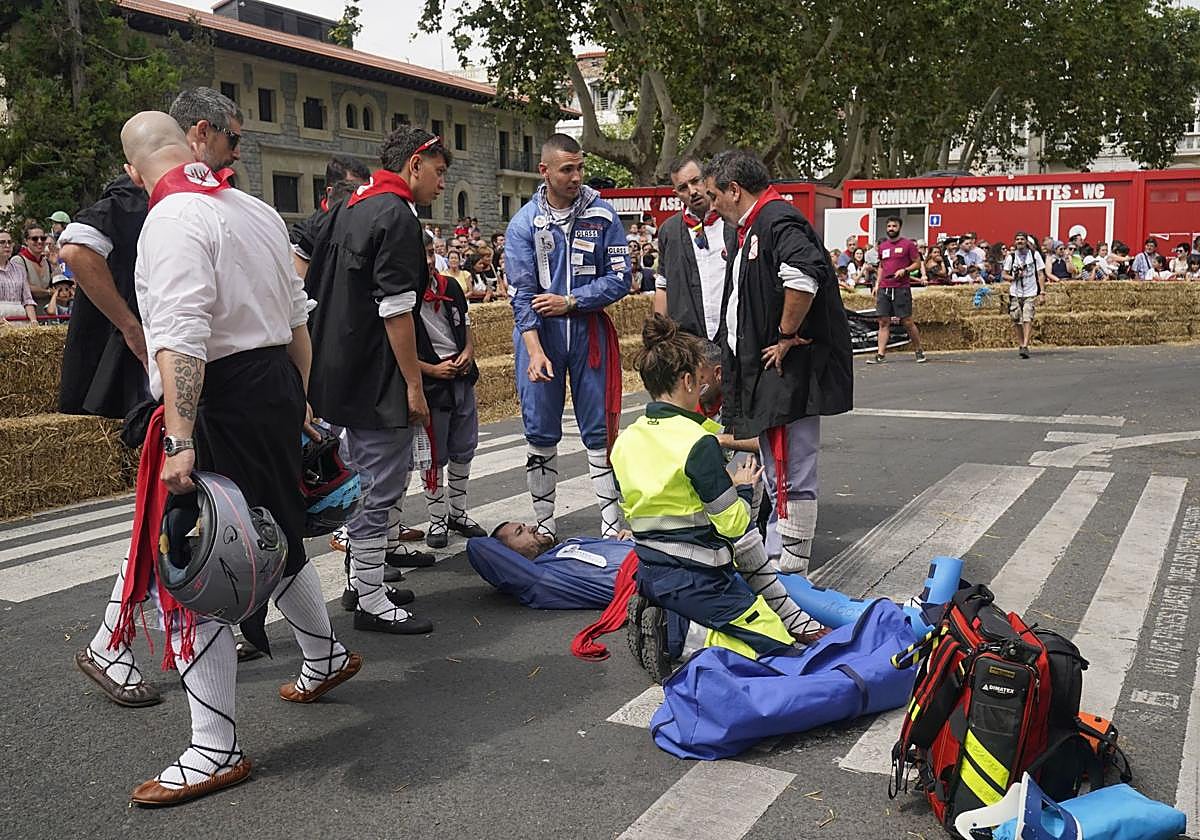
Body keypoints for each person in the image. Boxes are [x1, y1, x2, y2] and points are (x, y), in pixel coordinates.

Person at [109, 111, 360, 806]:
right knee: (269, 537)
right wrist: (301, 402)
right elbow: (295, 318)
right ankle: (325, 655)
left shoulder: (170, 221)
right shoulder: (252, 209)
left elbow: (183, 334)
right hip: (274, 383)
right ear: (189, 144)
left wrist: (181, 437)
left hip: (218, 399)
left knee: (205, 566)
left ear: (134, 171)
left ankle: (214, 746)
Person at [67, 88, 269, 707]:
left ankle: (314, 650)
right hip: (176, 380)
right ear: (197, 136)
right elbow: (76, 248)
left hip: (200, 376)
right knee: (177, 528)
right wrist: (130, 325)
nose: (236, 152)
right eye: (232, 140)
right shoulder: (147, 197)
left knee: (217, 519)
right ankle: (117, 643)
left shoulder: (211, 202)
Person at [305, 125, 446, 635]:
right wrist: (413, 383)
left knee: (365, 474)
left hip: (338, 364)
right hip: (375, 370)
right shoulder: (396, 214)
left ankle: (363, 583)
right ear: (414, 165)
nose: (441, 183)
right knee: (378, 484)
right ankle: (368, 596)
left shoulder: (349, 205)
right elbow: (396, 308)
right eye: (439, 171)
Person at [611, 315, 814, 664]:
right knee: (780, 647)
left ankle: (672, 618)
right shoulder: (698, 443)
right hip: (700, 579)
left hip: (649, 569)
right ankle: (689, 636)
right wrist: (744, 490)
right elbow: (734, 527)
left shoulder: (627, 439)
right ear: (689, 381)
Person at [703, 149, 853, 575]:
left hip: (787, 372)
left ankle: (792, 571)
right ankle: (781, 561)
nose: (711, 204)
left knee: (789, 472)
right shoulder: (757, 224)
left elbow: (803, 276)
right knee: (777, 470)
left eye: (715, 195)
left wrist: (787, 334)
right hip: (767, 370)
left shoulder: (776, 220)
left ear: (734, 190)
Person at [505, 133, 631, 540]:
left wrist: (573, 301)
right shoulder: (524, 223)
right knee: (540, 430)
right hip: (540, 337)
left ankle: (612, 528)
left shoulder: (604, 216)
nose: (576, 177)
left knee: (598, 429)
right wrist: (534, 349)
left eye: (580, 168)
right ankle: (544, 526)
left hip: (587, 333)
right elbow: (521, 293)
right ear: (545, 171)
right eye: (567, 169)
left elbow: (620, 279)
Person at [415, 231, 485, 548]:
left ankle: (458, 511)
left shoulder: (451, 286)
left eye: (432, 253)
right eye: (423, 254)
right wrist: (430, 369)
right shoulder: (401, 295)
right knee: (433, 454)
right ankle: (436, 518)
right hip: (431, 381)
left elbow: (466, 327)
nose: (429, 261)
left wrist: (468, 352)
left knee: (463, 446)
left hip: (460, 373)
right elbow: (396, 349)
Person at [653, 155, 731, 341]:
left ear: (708, 179)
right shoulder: (669, 230)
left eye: (696, 181)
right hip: (690, 339)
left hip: (733, 334)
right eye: (683, 188)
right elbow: (662, 286)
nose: (692, 191)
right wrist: (658, 334)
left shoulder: (733, 221)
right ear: (676, 194)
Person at [289, 154, 371, 279]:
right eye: (352, 190)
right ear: (331, 191)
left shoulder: (368, 226)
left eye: (367, 192)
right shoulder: (304, 236)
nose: (362, 200)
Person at [867, 215, 926, 364]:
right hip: (884, 288)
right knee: (883, 322)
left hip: (901, 288)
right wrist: (877, 285)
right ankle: (880, 354)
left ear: (899, 227)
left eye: (894, 226)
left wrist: (905, 270)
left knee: (906, 321)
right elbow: (881, 266)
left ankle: (919, 350)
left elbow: (917, 264)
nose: (891, 229)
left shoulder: (908, 245)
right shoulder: (883, 246)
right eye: (889, 226)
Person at [1002, 231, 1047, 359]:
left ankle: (1025, 345)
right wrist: (1013, 277)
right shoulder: (1011, 257)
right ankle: (1021, 343)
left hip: (1030, 291)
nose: (1020, 241)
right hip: (1015, 291)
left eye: (1022, 239)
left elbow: (1041, 274)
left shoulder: (1034, 255)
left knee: (1028, 317)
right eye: (1017, 239)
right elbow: (1004, 274)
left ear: (1026, 241)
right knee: (1016, 318)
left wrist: (1042, 292)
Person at [12, 221, 53, 312]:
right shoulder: (18, 261)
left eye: (43, 238)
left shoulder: (47, 261)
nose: (39, 241)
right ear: (26, 241)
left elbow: (59, 285)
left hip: (47, 313)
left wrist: (55, 264)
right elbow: (24, 287)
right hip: (27, 314)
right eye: (35, 238)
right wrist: (49, 292)